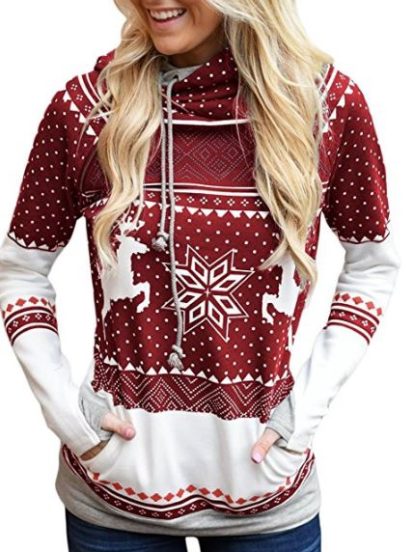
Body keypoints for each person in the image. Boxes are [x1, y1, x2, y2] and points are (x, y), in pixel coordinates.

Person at [0, 0, 401, 551]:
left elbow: (372, 266)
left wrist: (302, 415)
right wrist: (70, 418)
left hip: (266, 493)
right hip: (113, 494)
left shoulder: (325, 106)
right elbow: (21, 269)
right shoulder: (87, 108)